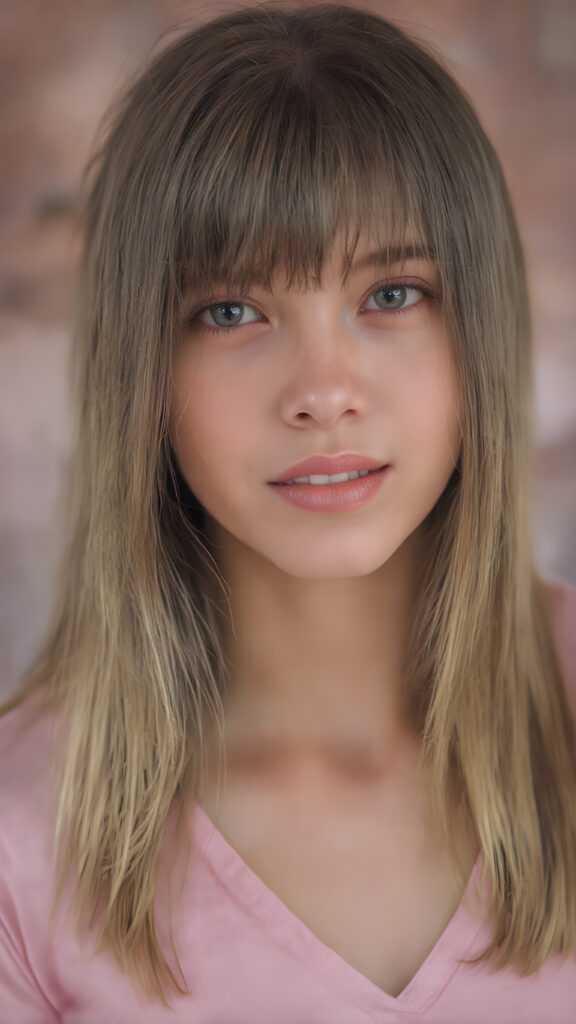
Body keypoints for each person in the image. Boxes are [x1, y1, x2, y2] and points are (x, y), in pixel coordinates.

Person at [1, 4, 575, 1021]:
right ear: (143, 373)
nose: (324, 389)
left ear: (478, 325)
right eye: (233, 312)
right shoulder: (21, 837)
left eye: (392, 293)